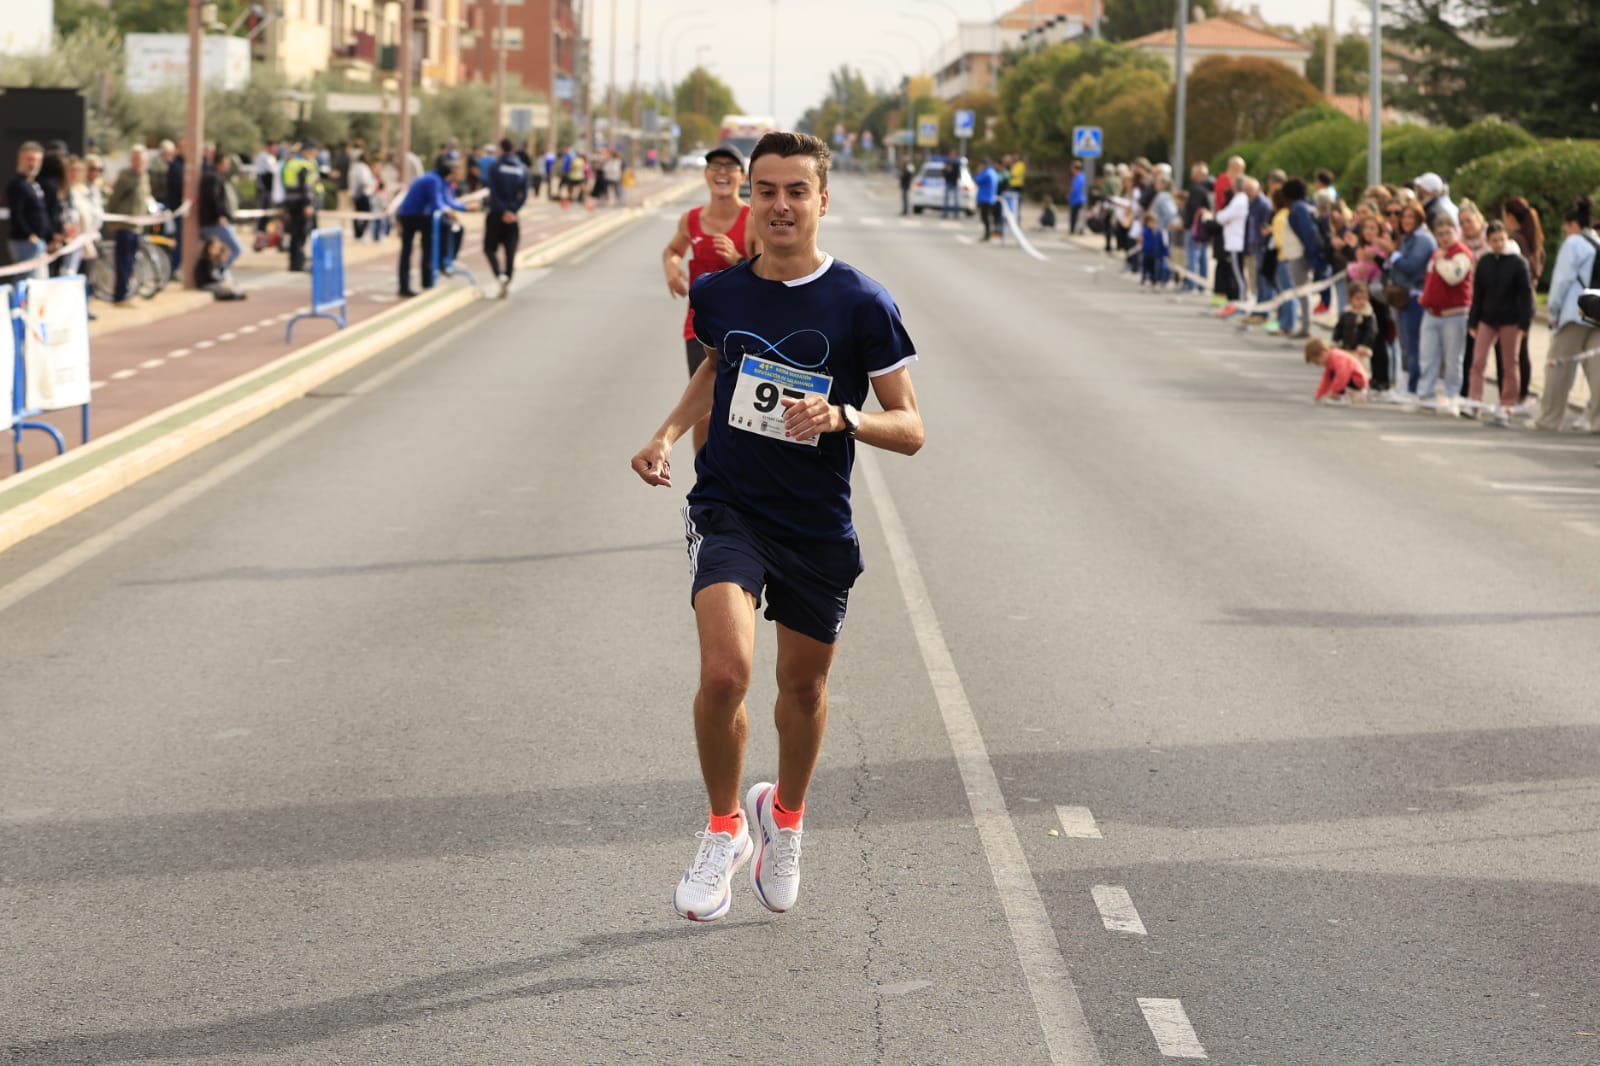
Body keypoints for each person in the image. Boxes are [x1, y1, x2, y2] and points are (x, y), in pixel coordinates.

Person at [630, 131, 924, 923]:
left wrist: (844, 416)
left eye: (798, 190)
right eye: (767, 190)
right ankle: (724, 826)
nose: (781, 204)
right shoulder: (721, 292)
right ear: (748, 197)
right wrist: (663, 434)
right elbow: (716, 365)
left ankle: (783, 817)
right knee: (726, 674)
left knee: (803, 687)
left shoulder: (863, 302)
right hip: (730, 506)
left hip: (817, 525)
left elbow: (912, 425)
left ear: (823, 200)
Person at [660, 144, 761, 452]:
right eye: (714, 166)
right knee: (703, 411)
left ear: (741, 176)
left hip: (745, 329)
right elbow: (673, 251)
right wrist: (672, 270)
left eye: (729, 167)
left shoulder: (752, 218)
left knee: (739, 410)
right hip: (699, 328)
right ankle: (706, 480)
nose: (721, 172)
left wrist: (737, 259)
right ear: (705, 174)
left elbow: (766, 273)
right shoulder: (690, 219)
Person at [1535, 197, 1600, 432]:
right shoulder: (1597, 242)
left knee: (1558, 366)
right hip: (1597, 313)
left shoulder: (1573, 244)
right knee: (1597, 369)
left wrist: (1553, 311)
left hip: (1575, 311)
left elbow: (1561, 281)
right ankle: (1597, 421)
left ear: (1572, 224)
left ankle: (1550, 419)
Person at [1464, 220, 1532, 424]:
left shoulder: (1518, 263)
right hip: (1487, 318)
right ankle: (1475, 400)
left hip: (1510, 320)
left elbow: (1525, 295)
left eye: (1501, 239)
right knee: (1478, 361)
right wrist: (1473, 321)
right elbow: (1478, 294)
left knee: (1509, 363)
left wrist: (1524, 323)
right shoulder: (1484, 262)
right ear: (1488, 241)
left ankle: (1507, 403)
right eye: (1494, 240)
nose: (1498, 243)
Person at [1411, 215, 1475, 414]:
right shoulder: (1437, 254)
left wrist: (1441, 260)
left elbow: (1453, 277)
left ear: (1456, 232)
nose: (1444, 238)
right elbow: (1431, 280)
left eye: (1448, 233)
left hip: (1454, 314)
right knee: (1427, 356)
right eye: (1440, 234)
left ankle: (1451, 395)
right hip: (1432, 312)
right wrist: (1426, 296)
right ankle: (1426, 394)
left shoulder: (1462, 254)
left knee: (1453, 357)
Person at [394, 158, 469, 297]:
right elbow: (437, 202)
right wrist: (448, 210)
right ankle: (409, 284)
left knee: (428, 244)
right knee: (412, 250)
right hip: (411, 216)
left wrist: (464, 208)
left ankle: (429, 278)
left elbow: (446, 201)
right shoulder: (433, 180)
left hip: (419, 215)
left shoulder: (441, 181)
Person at [1389, 204, 1437, 399]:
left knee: (1414, 344)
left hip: (1416, 297)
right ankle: (1408, 383)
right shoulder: (1408, 239)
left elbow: (1410, 266)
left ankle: (1414, 387)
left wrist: (1393, 255)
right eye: (1404, 217)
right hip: (1404, 298)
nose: (1406, 221)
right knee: (1406, 344)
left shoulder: (1423, 240)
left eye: (1411, 217)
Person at [483, 138, 529, 299]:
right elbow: (524, 194)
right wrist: (512, 210)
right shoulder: (522, 168)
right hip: (512, 217)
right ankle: (508, 277)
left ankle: (499, 275)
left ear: (501, 148)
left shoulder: (495, 167)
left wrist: (503, 210)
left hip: (496, 214)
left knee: (489, 248)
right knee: (510, 251)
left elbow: (493, 191)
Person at [104, 146, 151, 305]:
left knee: (132, 262)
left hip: (138, 226)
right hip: (124, 226)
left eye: (141, 159)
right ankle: (120, 296)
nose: (138, 162)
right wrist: (111, 219)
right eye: (135, 158)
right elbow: (114, 198)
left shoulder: (145, 176)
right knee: (123, 262)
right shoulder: (125, 176)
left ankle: (128, 292)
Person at [1333, 280, 1389, 397]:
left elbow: (1371, 332)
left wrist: (1365, 345)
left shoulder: (1369, 315)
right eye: (1358, 298)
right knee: (1345, 370)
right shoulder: (1347, 313)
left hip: (1361, 351)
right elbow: (1339, 328)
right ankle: (1344, 390)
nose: (1361, 302)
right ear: (1350, 299)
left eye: (1364, 298)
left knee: (1361, 371)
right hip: (1347, 348)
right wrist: (1335, 340)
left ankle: (1361, 390)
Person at [6, 141, 51, 279]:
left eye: (37, 160)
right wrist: (30, 235)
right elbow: (17, 214)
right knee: (27, 283)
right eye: (30, 159)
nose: (33, 164)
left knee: (38, 284)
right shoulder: (17, 184)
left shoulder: (33, 184)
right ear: (20, 160)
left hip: (38, 243)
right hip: (25, 243)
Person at [197, 151, 242, 276]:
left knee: (217, 250)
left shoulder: (213, 176)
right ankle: (219, 271)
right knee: (236, 248)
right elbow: (214, 198)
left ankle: (218, 271)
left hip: (211, 221)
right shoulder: (213, 177)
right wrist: (219, 215)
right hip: (214, 222)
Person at [280, 141, 322, 272]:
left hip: (291, 203)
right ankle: (298, 263)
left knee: (294, 235)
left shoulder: (290, 164)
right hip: (301, 205)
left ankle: (294, 263)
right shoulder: (303, 165)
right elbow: (305, 188)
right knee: (300, 235)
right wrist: (307, 205)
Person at [1306, 337, 1369, 403]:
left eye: (1317, 362)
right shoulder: (1330, 359)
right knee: (1331, 375)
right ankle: (1341, 395)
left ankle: (1341, 396)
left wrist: (1332, 392)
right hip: (1352, 382)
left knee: (1335, 375)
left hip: (1358, 383)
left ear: (1323, 353)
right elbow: (1326, 380)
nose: (1318, 365)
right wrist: (1319, 395)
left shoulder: (1338, 357)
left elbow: (1342, 376)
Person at [1139, 209, 1168, 288]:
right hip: (1146, 252)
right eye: (1150, 222)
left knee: (1154, 269)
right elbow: (1140, 237)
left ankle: (1154, 281)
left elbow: (1162, 243)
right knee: (1145, 267)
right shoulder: (1145, 231)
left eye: (1153, 222)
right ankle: (1143, 280)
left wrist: (1165, 253)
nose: (1152, 224)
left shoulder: (1158, 232)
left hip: (1155, 254)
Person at [973, 157, 1000, 242]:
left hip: (985, 198)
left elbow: (978, 180)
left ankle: (987, 234)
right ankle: (989, 233)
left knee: (985, 217)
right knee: (988, 217)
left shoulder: (986, 173)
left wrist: (978, 172)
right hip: (990, 198)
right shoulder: (993, 172)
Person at [1068, 159, 1087, 235]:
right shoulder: (1081, 176)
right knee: (1078, 216)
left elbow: (1075, 189)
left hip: (1077, 199)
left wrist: (1070, 195)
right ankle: (1078, 230)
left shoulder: (1079, 177)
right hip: (1080, 199)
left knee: (1074, 216)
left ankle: (1073, 230)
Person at [941, 155, 960, 220]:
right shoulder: (947, 163)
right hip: (948, 183)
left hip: (954, 183)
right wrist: (946, 170)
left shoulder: (956, 164)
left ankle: (956, 214)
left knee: (956, 200)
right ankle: (945, 213)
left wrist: (951, 170)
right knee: (946, 200)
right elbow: (943, 173)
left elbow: (958, 174)